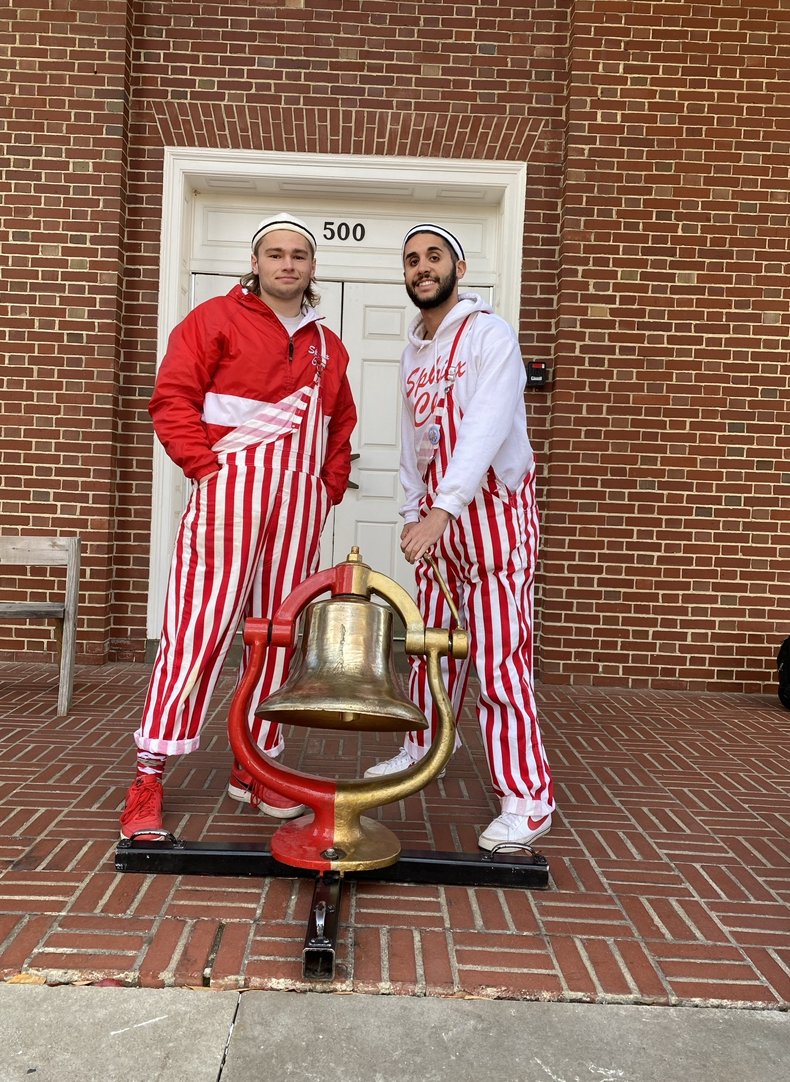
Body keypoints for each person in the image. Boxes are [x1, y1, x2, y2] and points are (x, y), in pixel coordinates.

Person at [120, 213, 356, 839]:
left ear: (312, 268)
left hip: (299, 509)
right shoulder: (212, 321)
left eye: (299, 256)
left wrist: (327, 488)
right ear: (256, 263)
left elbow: (340, 424)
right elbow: (172, 399)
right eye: (275, 254)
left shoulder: (329, 346)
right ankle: (149, 775)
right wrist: (204, 469)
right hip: (230, 496)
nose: (287, 264)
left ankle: (256, 766)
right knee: (197, 626)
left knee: (277, 633)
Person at [364, 223, 555, 850]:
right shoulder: (412, 350)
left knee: (501, 661)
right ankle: (425, 746)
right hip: (436, 525)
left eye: (433, 257)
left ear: (459, 267)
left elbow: (487, 426)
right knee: (428, 651)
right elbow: (413, 443)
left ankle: (528, 797)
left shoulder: (489, 335)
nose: (422, 267)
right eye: (411, 259)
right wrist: (409, 511)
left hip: (492, 521)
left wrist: (444, 509)